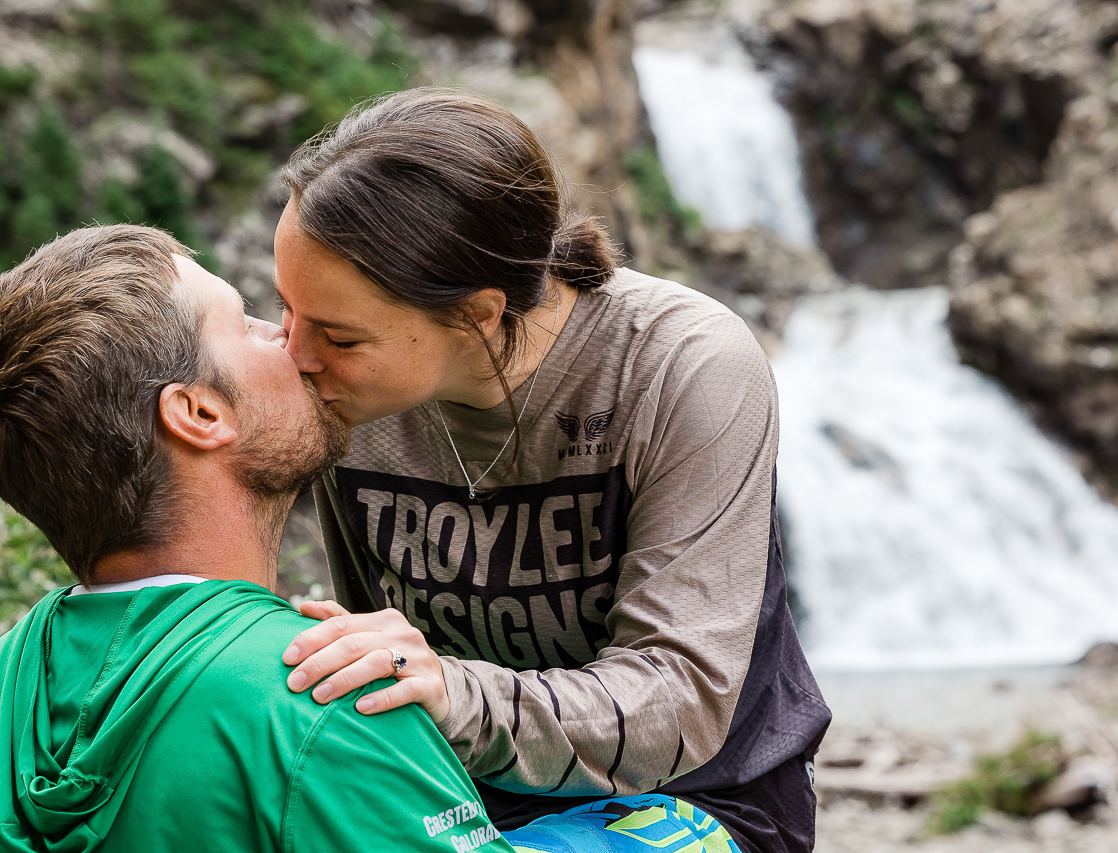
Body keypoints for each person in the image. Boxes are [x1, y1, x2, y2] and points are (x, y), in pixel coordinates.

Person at [273, 90, 832, 853]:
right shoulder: (339, 386)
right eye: (285, 311)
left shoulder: (679, 365)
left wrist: (452, 691)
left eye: (337, 334)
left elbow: (682, 697)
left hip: (692, 799)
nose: (295, 358)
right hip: (450, 789)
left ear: (476, 314)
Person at [0, 225, 514, 853]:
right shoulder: (327, 701)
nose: (290, 342)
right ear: (201, 415)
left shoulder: (11, 681)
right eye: (246, 325)